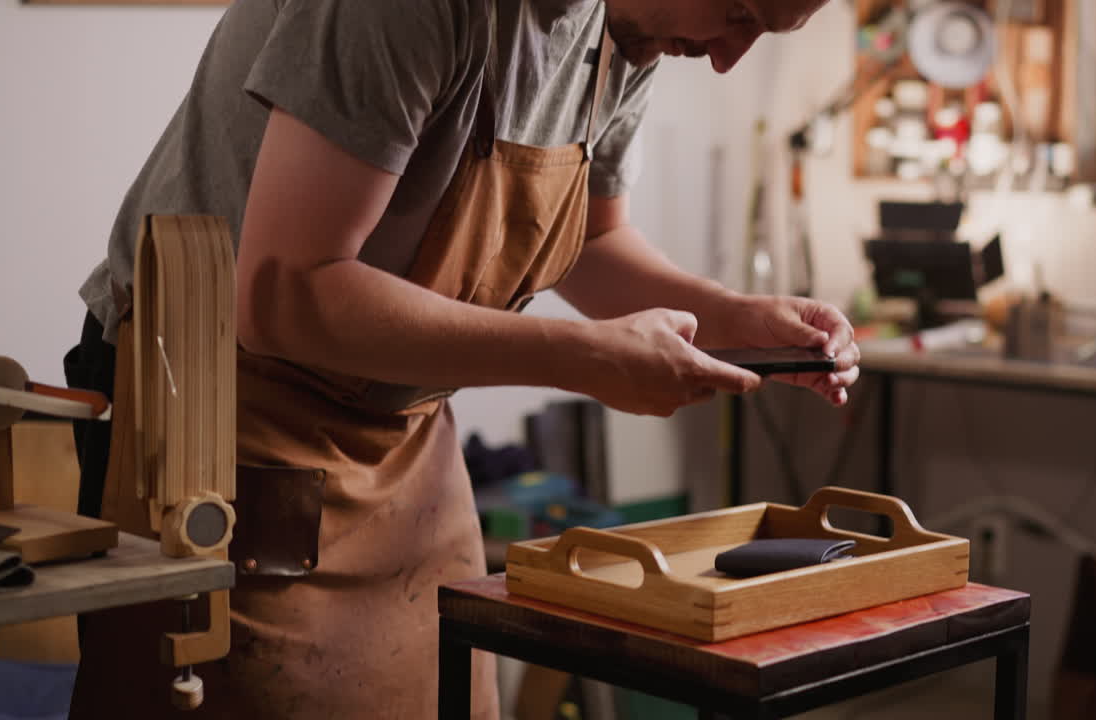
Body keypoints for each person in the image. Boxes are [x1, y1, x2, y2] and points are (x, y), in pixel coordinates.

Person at [63, 0, 858, 717]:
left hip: (403, 444)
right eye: (740, 12)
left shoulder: (632, 31)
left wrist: (733, 316)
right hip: (219, 415)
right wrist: (580, 358)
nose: (729, 57)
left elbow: (592, 240)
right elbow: (283, 294)